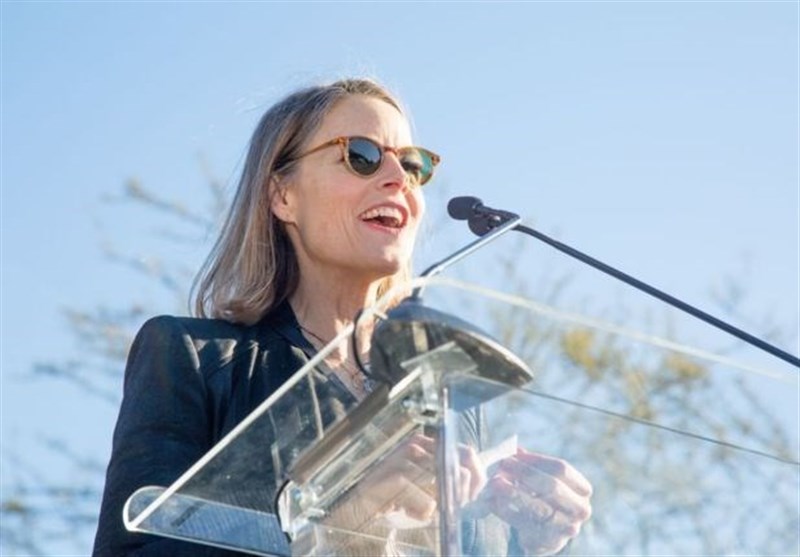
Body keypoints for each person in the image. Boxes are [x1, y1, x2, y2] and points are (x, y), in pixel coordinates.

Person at [93, 77, 592, 557]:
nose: (398, 178)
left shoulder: (451, 395)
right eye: (363, 156)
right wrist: (338, 530)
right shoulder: (196, 359)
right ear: (282, 196)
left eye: (413, 165)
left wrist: (538, 541)